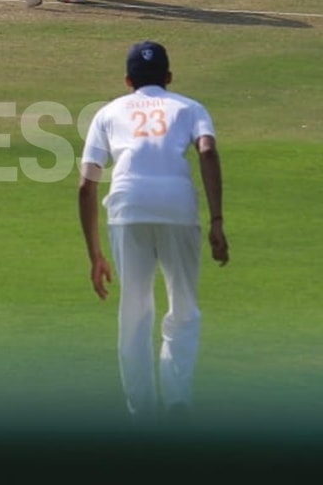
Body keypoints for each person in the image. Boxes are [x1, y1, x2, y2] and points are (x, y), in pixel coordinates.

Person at [78, 40, 228, 420]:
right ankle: (177, 397)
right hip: (178, 207)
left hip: (128, 206)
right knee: (184, 307)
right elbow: (207, 151)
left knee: (135, 309)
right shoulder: (190, 107)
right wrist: (217, 221)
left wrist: (95, 255)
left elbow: (87, 183)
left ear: (127, 80)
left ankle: (140, 407)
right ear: (169, 78)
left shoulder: (109, 112)